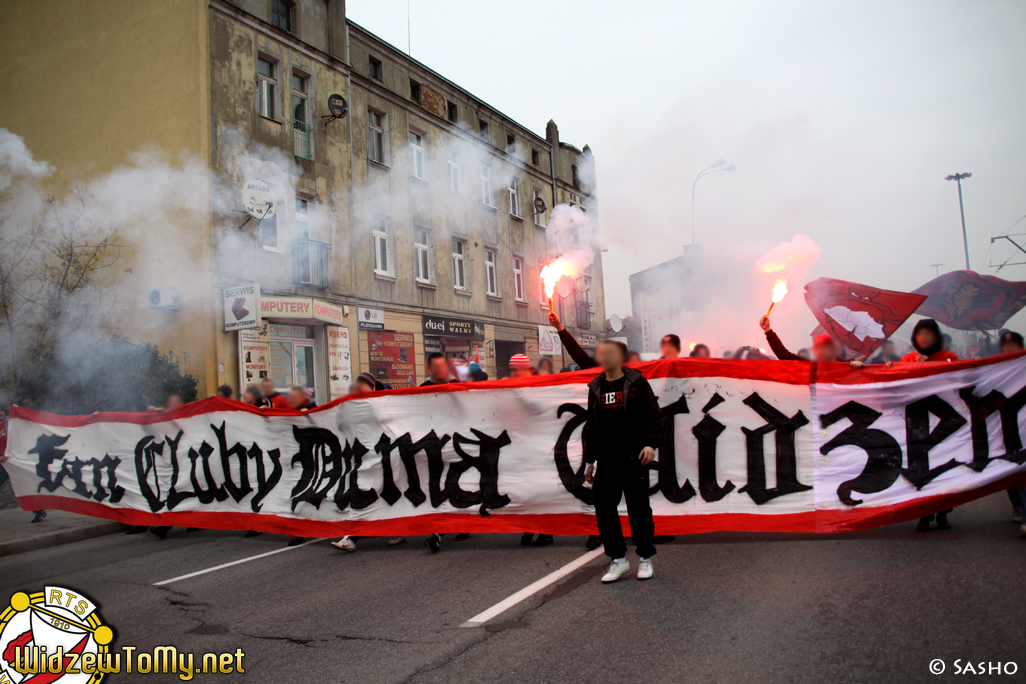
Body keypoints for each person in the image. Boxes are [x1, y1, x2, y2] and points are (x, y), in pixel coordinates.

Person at [584, 340, 663, 582]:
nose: (605, 357)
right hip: (606, 461)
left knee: (638, 509)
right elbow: (592, 425)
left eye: (610, 353)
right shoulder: (595, 387)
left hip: (633, 458)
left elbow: (653, 416)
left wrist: (651, 444)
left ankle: (645, 557)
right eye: (602, 354)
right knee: (605, 511)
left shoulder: (636, 383)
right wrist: (589, 461)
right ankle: (617, 559)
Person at [896, 319, 959, 532]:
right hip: (917, 420)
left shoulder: (948, 357)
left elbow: (955, 380)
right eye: (920, 334)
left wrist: (929, 368)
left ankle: (943, 513)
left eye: (929, 334)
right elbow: (899, 384)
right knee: (920, 467)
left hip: (943, 420)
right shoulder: (907, 358)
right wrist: (915, 367)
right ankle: (924, 513)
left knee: (943, 468)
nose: (925, 338)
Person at [548, 311, 601, 549]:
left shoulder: (632, 380)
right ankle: (597, 530)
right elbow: (578, 353)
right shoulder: (597, 374)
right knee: (595, 485)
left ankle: (626, 526)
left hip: (620, 443)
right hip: (596, 441)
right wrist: (560, 328)